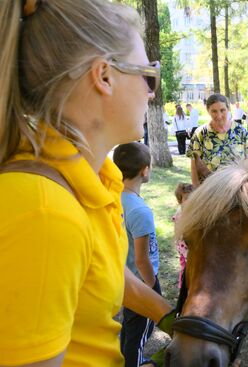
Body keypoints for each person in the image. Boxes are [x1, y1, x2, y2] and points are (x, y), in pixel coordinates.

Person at [0, 1, 173, 365]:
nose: (151, 92)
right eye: (149, 74)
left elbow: (103, 276)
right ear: (104, 76)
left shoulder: (91, 179)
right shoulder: (46, 213)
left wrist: (177, 323)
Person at [113, 143, 161, 367]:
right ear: (145, 170)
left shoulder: (114, 198)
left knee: (131, 327)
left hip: (123, 278)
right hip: (141, 281)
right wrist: (152, 287)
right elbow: (142, 260)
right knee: (139, 332)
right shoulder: (140, 212)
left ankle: (126, 357)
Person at [187, 93, 248, 186]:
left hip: (238, 189)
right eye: (214, 111)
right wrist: (196, 190)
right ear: (208, 111)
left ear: (228, 109)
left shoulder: (240, 131)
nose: (219, 116)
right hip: (211, 190)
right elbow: (194, 166)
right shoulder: (200, 134)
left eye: (222, 110)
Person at [173, 182, 194, 288]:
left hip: (187, 249)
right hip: (185, 249)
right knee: (187, 269)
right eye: (187, 198)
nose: (190, 201)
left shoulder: (190, 211)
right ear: (180, 201)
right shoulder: (181, 215)